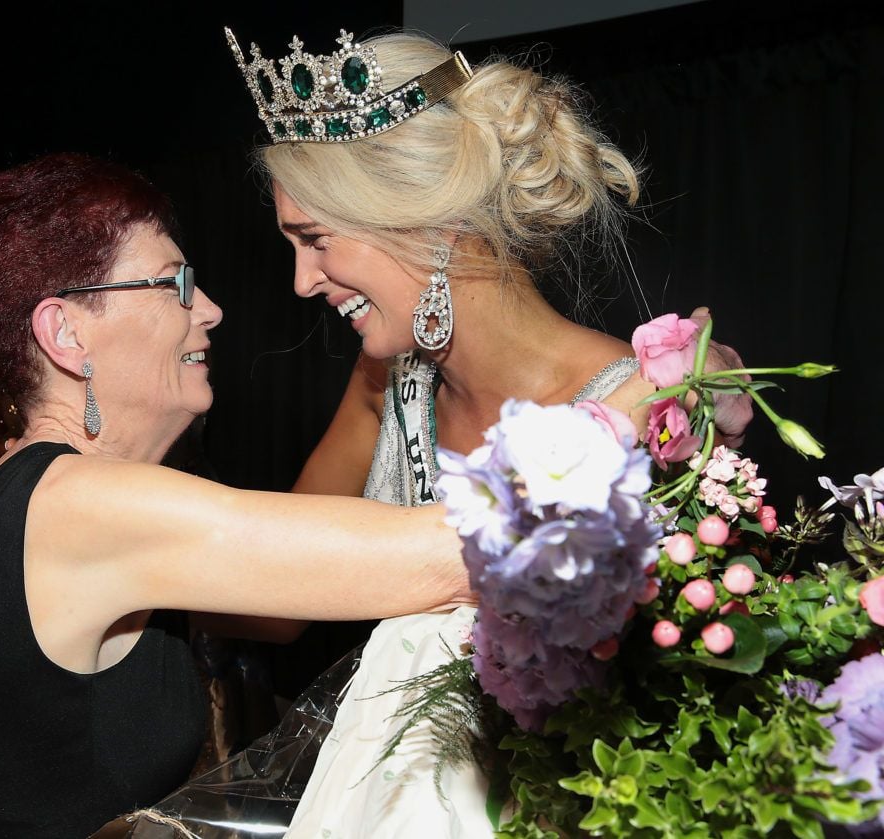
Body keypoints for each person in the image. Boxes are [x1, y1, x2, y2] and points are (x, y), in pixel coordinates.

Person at [225, 27, 752, 836]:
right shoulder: (385, 383)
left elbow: (688, 688)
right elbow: (276, 603)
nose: (302, 281)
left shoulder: (658, 400)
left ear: (429, 225)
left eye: (315, 239)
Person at [0, 152, 474, 839]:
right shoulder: (83, 506)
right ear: (66, 332)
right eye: (175, 283)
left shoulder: (19, 496)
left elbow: (279, 610)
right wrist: (634, 394)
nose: (209, 309)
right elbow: (448, 555)